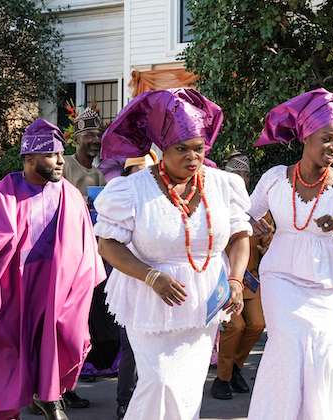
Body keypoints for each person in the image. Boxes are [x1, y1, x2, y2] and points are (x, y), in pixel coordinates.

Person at [94, 88, 251, 420]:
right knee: (161, 382)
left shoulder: (223, 185)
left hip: (203, 302)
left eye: (199, 149)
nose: (192, 157)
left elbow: (239, 235)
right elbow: (107, 244)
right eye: (182, 149)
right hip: (149, 300)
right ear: (162, 149)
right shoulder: (132, 190)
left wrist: (235, 281)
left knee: (188, 389)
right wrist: (152, 277)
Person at [246, 88, 333, 420]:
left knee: (322, 353)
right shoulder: (275, 178)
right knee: (288, 347)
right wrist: (256, 225)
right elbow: (244, 217)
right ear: (306, 137)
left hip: (324, 283)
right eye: (326, 139)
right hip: (280, 275)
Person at [0, 119, 105, 420]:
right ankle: (9, 411)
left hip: (59, 287)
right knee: (11, 347)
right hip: (14, 287)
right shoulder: (4, 192)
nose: (59, 161)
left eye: (60, 154)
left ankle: (49, 395)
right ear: (29, 158)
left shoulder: (69, 194)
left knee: (63, 340)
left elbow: (84, 244)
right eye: (51, 155)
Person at [62, 108, 114, 409]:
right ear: (76, 137)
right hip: (67, 254)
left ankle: (67, 384)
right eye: (89, 135)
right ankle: (49, 390)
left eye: (98, 135)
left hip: (93, 256)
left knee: (89, 326)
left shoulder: (100, 174)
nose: (95, 140)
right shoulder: (64, 165)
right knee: (67, 325)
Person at [211, 152, 268, 400]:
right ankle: (222, 379)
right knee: (235, 325)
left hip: (252, 278)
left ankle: (234, 368)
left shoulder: (258, 210)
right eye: (234, 175)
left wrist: (268, 241)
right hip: (226, 276)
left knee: (257, 324)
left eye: (243, 176)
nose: (238, 180)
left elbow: (269, 243)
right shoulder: (216, 207)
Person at [112, 153, 158, 420]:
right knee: (130, 347)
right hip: (132, 285)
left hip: (164, 289)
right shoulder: (122, 203)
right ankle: (124, 401)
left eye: (148, 172)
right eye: (138, 172)